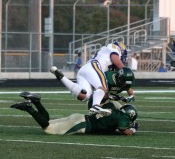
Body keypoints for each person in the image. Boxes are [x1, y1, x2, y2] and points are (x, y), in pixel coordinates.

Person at [10, 92, 139, 135]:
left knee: (48, 122)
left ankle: (36, 102)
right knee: (47, 129)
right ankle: (29, 108)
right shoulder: (121, 117)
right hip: (80, 125)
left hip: (80, 116)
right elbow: (125, 132)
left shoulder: (111, 107)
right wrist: (133, 128)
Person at [50, 42, 127, 114]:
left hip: (85, 70)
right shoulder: (115, 47)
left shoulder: (106, 58)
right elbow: (116, 60)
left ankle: (61, 76)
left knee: (83, 95)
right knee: (103, 87)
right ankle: (95, 106)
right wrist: (126, 71)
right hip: (94, 66)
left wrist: (118, 97)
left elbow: (102, 94)